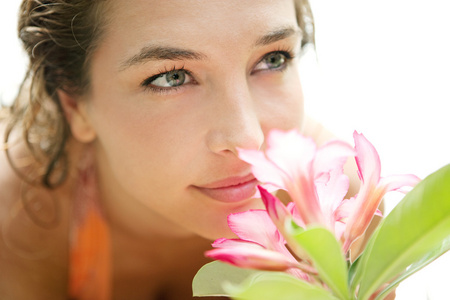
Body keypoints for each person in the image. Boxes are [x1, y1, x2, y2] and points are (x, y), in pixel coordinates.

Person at [0, 1, 373, 299]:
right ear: (75, 105)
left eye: (273, 59)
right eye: (171, 77)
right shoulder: (14, 224)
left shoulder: (339, 205)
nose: (247, 139)